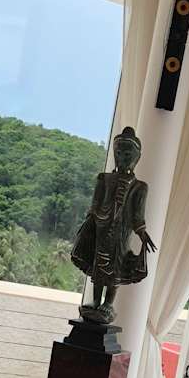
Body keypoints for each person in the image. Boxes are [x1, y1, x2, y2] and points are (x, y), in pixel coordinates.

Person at [71, 125, 156, 322]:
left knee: (115, 265)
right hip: (102, 227)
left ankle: (108, 303)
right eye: (118, 153)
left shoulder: (139, 187)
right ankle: (95, 301)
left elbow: (137, 216)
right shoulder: (104, 179)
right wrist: (92, 222)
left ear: (137, 158)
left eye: (127, 154)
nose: (122, 157)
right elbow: (95, 205)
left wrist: (142, 233)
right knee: (98, 264)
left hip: (121, 232)